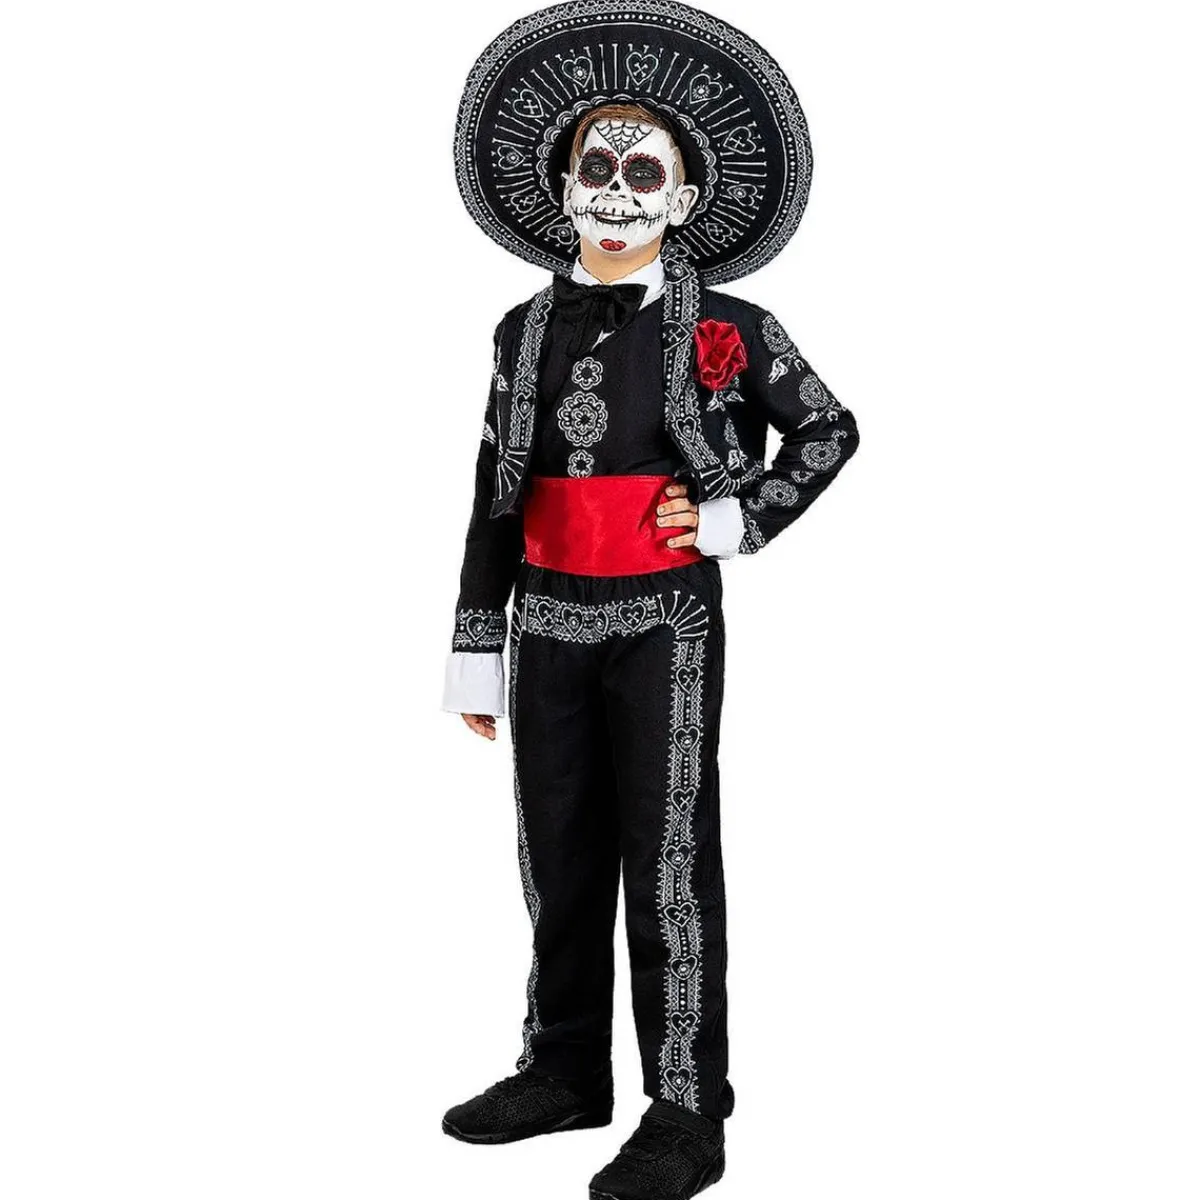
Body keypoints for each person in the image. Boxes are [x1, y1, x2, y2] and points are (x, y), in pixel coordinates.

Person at [441, 4, 858, 1197]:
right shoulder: (520, 328)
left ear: (683, 196)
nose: (615, 194)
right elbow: (494, 485)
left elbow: (828, 430)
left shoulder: (731, 325)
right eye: (597, 170)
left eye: (643, 174)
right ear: (562, 187)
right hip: (545, 619)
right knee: (555, 847)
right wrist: (475, 639)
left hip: (665, 620)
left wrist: (737, 520)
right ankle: (565, 1067)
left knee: (667, 857)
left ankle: (684, 1108)